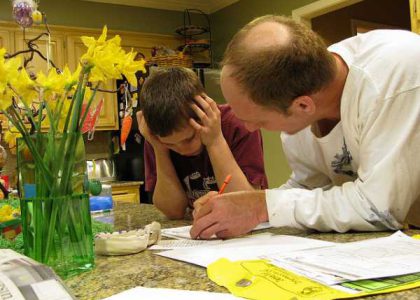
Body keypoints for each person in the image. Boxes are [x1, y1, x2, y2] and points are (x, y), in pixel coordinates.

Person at [190, 15, 420, 239]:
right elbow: (308, 189)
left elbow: (378, 208)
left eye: (259, 121)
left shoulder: (395, 77)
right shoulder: (299, 94)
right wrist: (245, 204)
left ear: (303, 105)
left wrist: (261, 206)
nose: (249, 129)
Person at [137, 67, 268, 219]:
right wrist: (159, 149)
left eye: (189, 139)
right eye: (171, 144)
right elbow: (173, 211)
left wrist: (215, 140)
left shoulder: (237, 124)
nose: (182, 149)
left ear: (204, 112)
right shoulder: (157, 138)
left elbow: (246, 206)